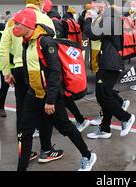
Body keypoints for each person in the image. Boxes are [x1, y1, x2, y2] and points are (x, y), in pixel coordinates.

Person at [12, 9, 97, 171]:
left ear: (28, 24)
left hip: (50, 98)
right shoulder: (27, 42)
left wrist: (50, 100)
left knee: (66, 128)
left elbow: (55, 72)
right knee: (25, 132)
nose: (14, 27)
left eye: (17, 23)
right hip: (33, 95)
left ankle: (87, 155)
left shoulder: (45, 42)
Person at [0, 0, 57, 162]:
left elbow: (3, 48)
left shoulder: (13, 20)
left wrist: (6, 71)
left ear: (27, 1)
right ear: (40, 3)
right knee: (45, 110)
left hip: (18, 69)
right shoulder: (45, 18)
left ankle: (24, 152)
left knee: (22, 112)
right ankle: (46, 150)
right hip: (39, 71)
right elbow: (52, 48)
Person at [84, 0, 136, 139]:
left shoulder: (110, 20)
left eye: (96, 5)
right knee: (104, 94)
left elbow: (91, 34)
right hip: (111, 62)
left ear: (103, 6)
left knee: (103, 94)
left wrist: (88, 19)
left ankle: (126, 117)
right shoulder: (114, 18)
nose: (93, 7)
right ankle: (105, 128)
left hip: (110, 63)